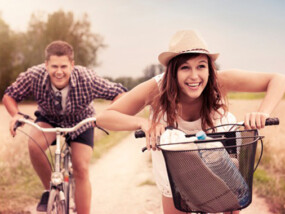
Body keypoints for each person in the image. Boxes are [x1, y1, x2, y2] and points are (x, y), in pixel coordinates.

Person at [96, 30, 285, 214]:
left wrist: (262, 113)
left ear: (210, 68)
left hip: (217, 155)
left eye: (201, 66)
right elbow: (105, 118)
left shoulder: (219, 81)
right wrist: (143, 123)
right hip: (175, 164)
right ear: (173, 71)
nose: (194, 76)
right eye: (185, 67)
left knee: (231, 195)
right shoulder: (156, 88)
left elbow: (278, 79)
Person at [2, 40, 127, 214]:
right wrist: (15, 114)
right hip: (49, 118)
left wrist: (106, 115)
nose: (59, 72)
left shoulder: (86, 78)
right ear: (46, 65)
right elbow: (10, 95)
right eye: (54, 66)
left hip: (82, 121)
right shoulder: (34, 76)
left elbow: (120, 92)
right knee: (34, 146)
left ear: (72, 65)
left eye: (63, 66)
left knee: (80, 168)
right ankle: (50, 190)